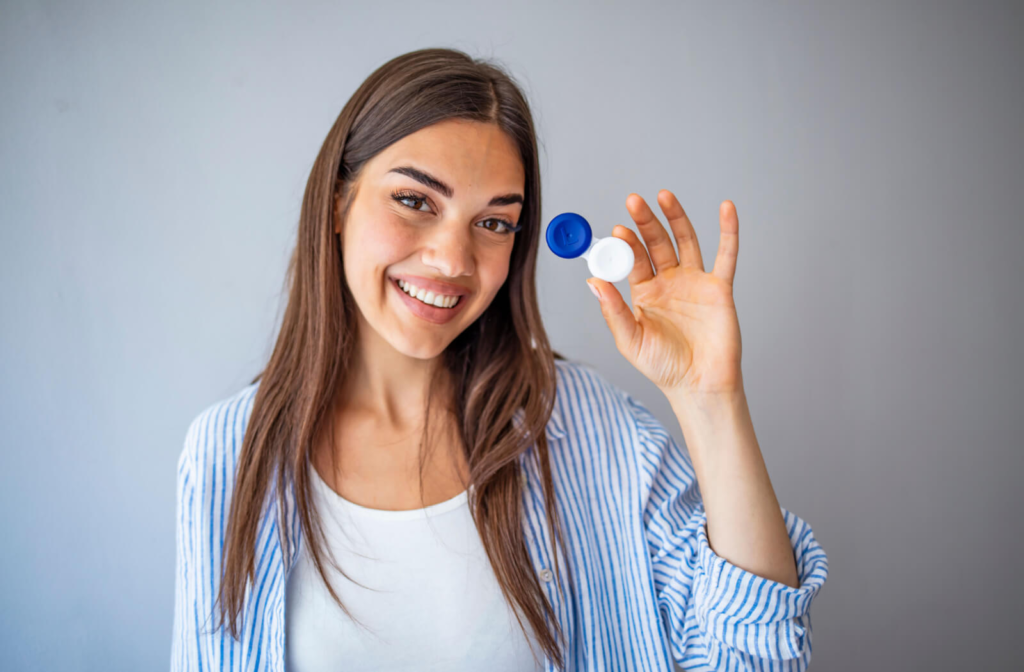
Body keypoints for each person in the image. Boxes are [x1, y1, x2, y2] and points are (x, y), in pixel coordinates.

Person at [171, 47, 828, 672]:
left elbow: (756, 658)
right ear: (339, 201)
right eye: (415, 201)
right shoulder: (226, 455)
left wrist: (710, 400)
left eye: (493, 222)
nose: (453, 261)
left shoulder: (591, 429)